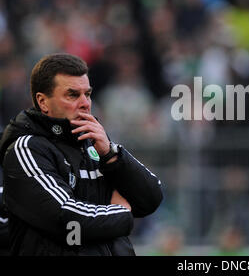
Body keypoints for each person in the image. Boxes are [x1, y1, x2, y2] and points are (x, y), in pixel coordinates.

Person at [0, 53, 163, 255]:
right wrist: (121, 213)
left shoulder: (96, 144)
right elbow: (67, 219)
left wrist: (112, 155)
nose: (85, 103)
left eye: (87, 94)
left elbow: (150, 199)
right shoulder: (26, 148)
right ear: (43, 102)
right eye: (73, 95)